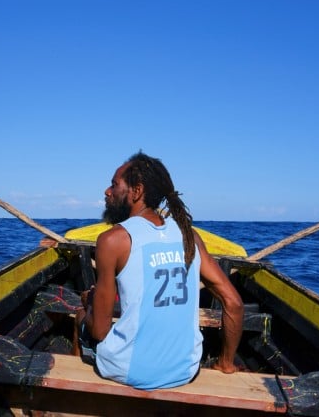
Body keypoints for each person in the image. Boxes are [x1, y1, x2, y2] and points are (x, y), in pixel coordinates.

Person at [77, 152, 244, 390]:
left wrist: (90, 304)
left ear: (136, 191)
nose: (107, 191)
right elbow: (234, 304)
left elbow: (101, 331)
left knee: (81, 318)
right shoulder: (190, 236)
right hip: (185, 371)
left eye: (114, 185)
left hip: (126, 370)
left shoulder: (112, 240)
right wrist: (226, 363)